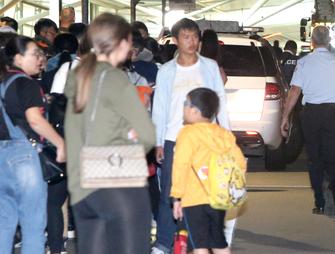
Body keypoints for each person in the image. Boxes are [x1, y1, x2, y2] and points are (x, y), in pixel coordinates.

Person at [63, 13, 155, 254]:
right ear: (123, 43)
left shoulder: (77, 75)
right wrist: (129, 135)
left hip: (81, 186)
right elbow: (147, 135)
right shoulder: (115, 78)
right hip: (118, 182)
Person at [152, 18, 230, 254]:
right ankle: (164, 243)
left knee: (204, 191)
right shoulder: (166, 71)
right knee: (170, 192)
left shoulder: (210, 67)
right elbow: (160, 107)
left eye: (195, 37)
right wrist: (158, 142)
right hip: (174, 138)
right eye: (186, 37)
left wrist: (225, 135)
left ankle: (200, 240)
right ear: (175, 41)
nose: (192, 42)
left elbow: (220, 103)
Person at [280, 26, 335, 216]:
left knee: (315, 159)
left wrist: (285, 117)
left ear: (312, 42)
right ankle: (330, 186)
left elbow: (295, 92)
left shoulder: (304, 63)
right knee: (333, 158)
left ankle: (320, 202)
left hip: (311, 114)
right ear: (329, 41)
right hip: (332, 113)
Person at [0, 36, 66, 254]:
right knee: (33, 224)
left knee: (4, 223)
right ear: (18, 58)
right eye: (35, 54)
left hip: (1, 156)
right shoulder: (26, 83)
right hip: (24, 157)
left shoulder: (3, 82)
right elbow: (35, 120)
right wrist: (60, 143)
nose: (40, 59)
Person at [171, 88, 245, 254]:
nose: (183, 107)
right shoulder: (223, 134)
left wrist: (176, 196)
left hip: (194, 198)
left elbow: (180, 165)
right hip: (218, 197)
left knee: (200, 244)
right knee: (218, 241)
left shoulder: (187, 134)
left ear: (194, 110)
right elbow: (240, 163)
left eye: (185, 104)